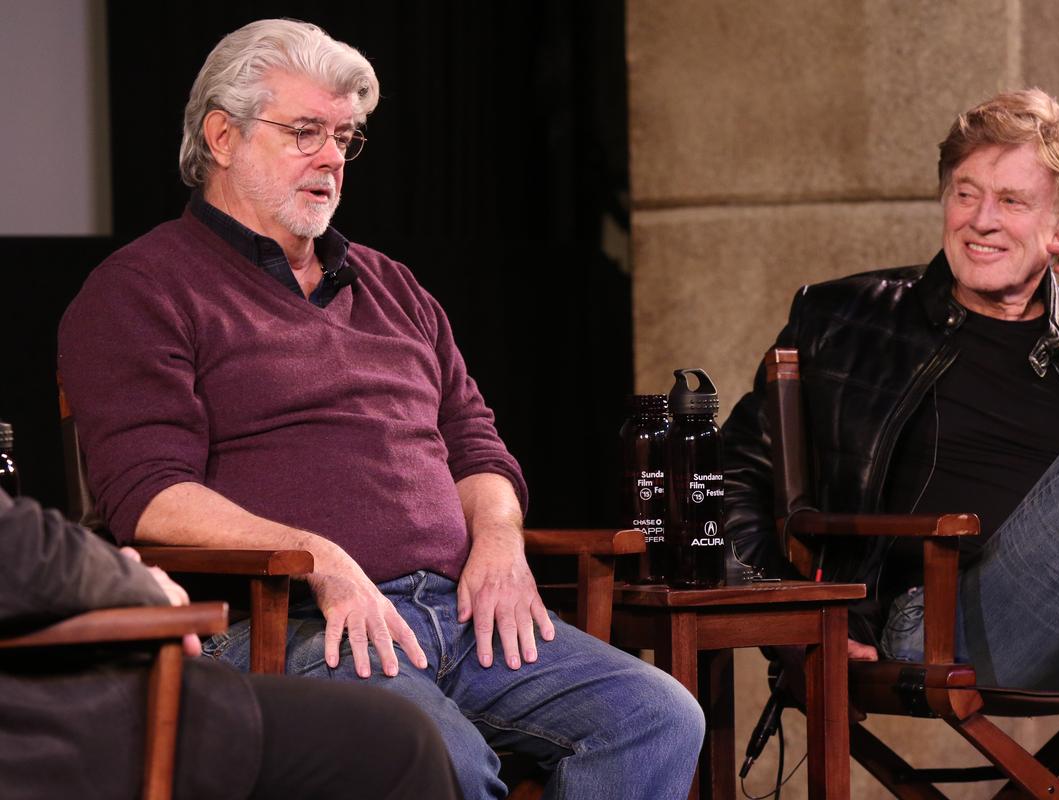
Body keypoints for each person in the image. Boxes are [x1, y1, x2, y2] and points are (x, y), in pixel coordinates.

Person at [57, 18, 703, 798]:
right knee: (441, 756)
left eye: (344, 137)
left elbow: (476, 449)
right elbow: (151, 499)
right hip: (285, 623)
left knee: (655, 713)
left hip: (458, 616)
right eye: (305, 132)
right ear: (222, 137)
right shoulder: (142, 290)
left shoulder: (392, 286)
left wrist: (498, 537)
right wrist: (322, 559)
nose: (331, 158)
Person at [722, 88, 1059, 704]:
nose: (981, 220)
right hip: (943, 625)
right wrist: (787, 617)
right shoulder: (849, 319)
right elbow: (731, 473)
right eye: (966, 193)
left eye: (1011, 200)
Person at [0, 489, 463, 800]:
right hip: (39, 721)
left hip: (456, 605)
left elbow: (472, 436)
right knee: (407, 741)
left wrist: (499, 538)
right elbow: (19, 547)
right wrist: (131, 581)